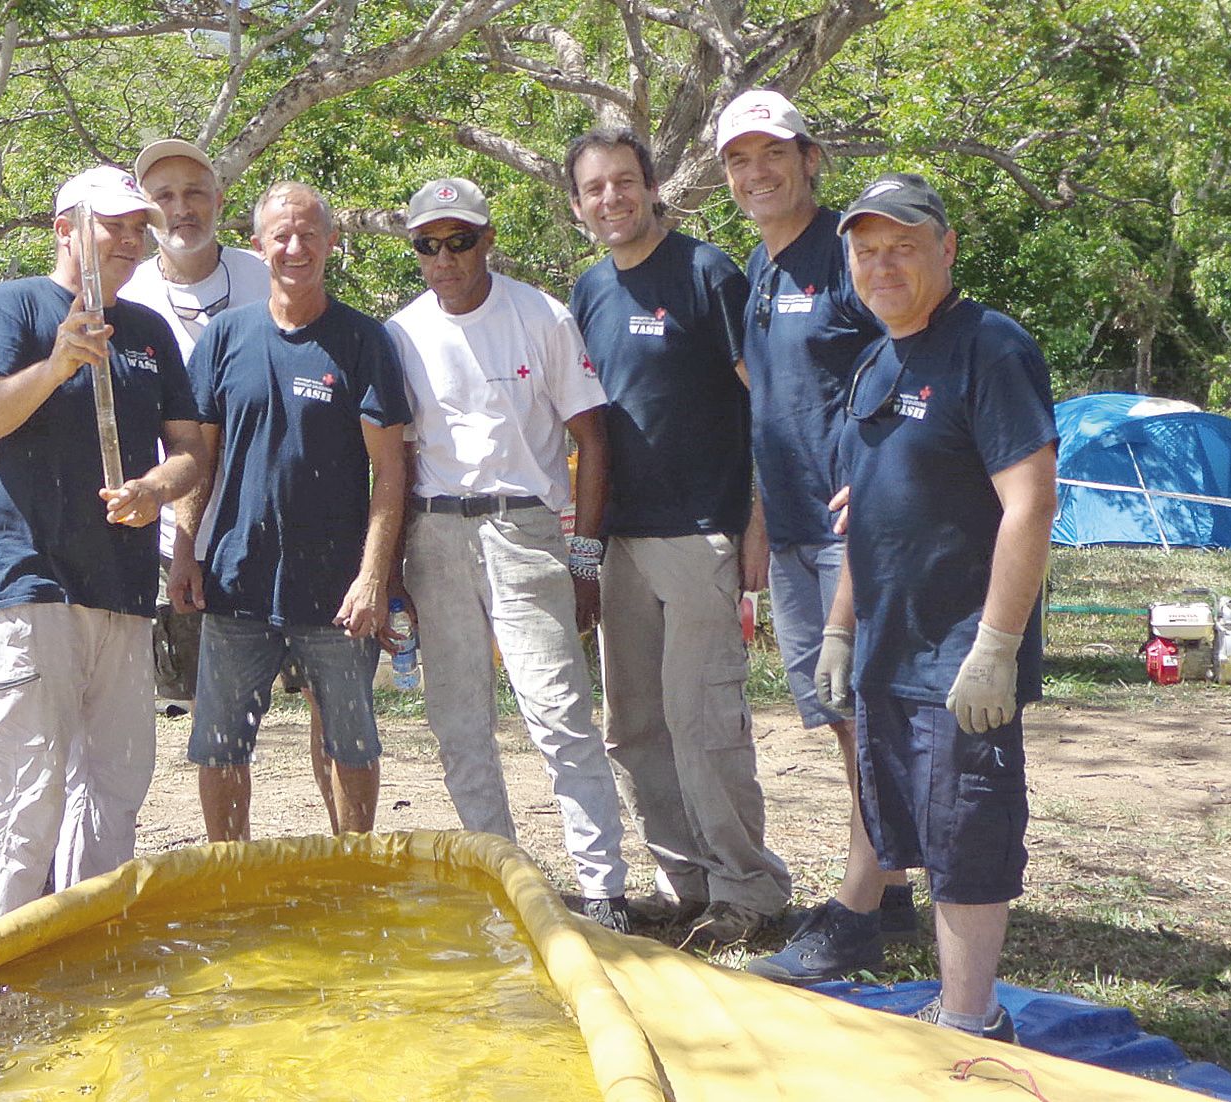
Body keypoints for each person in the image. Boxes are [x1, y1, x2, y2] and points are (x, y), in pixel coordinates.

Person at [816, 172, 1058, 1042]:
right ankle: (948, 1001)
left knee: (966, 836)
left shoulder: (987, 345)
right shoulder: (874, 360)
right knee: (909, 830)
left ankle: (968, 1018)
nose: (882, 265)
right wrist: (841, 625)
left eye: (903, 247)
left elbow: (1031, 502)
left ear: (945, 249)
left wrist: (996, 643)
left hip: (960, 649)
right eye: (866, 250)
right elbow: (865, 505)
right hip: (887, 645)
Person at [0, 165, 209, 929]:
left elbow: (189, 448)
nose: (126, 241)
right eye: (110, 225)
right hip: (29, 583)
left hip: (121, 589)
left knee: (115, 786)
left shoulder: (151, 332)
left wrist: (155, 490)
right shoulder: (12, 307)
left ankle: (88, 949)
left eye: (137, 229)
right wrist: (56, 364)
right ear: (65, 229)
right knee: (26, 787)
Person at [709, 90, 920, 984]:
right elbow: (769, 401)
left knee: (871, 711)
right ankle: (891, 881)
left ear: (809, 158)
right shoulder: (760, 266)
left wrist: (883, 489)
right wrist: (758, 520)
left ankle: (855, 916)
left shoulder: (849, 257)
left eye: (773, 154)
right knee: (843, 719)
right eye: (738, 159)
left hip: (853, 529)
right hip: (791, 526)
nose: (756, 172)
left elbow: (915, 362)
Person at [385, 177, 631, 933]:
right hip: (432, 534)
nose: (445, 258)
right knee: (458, 721)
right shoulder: (397, 334)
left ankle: (603, 892)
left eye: (460, 240)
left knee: (558, 714)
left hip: (523, 528)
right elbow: (391, 458)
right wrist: (391, 573)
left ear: (487, 240)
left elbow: (591, 437)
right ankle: (504, 879)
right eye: (428, 244)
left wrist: (583, 558)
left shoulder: (540, 316)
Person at [563, 129, 791, 945]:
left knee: (703, 723)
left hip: (699, 533)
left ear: (652, 187)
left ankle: (749, 889)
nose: (611, 199)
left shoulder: (706, 272)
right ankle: (683, 881)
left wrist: (757, 523)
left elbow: (766, 400)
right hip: (618, 538)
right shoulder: (587, 291)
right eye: (594, 188)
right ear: (577, 203)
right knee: (634, 727)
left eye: (625, 182)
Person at [168, 181, 410, 842]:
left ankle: (353, 875)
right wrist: (185, 549)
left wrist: (373, 578)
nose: (295, 247)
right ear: (258, 245)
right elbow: (198, 458)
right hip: (236, 576)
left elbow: (389, 470)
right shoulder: (223, 338)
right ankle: (228, 876)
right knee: (219, 746)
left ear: (331, 243)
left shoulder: (363, 341)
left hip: (335, 585)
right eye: (281, 235)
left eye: (309, 234)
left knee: (348, 741)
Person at [120, 140, 340, 828]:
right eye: (164, 196)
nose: (181, 209)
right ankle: (228, 866)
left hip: (291, 529)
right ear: (145, 211)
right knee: (211, 718)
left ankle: (346, 857)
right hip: (170, 535)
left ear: (220, 203)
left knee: (328, 705)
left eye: (195, 192)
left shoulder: (272, 268)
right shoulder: (123, 292)